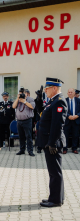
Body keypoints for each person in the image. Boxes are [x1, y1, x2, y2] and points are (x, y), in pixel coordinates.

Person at [37, 77, 67, 207]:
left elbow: (57, 124)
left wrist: (52, 142)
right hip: (49, 141)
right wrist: (38, 100)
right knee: (53, 171)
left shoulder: (59, 102)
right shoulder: (52, 101)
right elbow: (42, 114)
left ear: (54, 88)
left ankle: (55, 200)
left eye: (47, 88)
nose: (46, 91)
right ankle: (56, 197)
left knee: (55, 172)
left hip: (53, 142)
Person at [12, 87, 36, 156]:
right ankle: (22, 150)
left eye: (22, 94)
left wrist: (25, 101)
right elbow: (13, 106)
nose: (21, 95)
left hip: (27, 121)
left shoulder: (30, 99)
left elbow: (32, 107)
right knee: (21, 136)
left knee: (28, 136)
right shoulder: (18, 100)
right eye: (20, 94)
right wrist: (17, 98)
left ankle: (30, 151)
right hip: (19, 121)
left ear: (26, 93)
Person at [63, 88, 80, 154]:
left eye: (71, 92)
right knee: (65, 135)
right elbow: (63, 110)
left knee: (75, 135)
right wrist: (68, 116)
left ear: (74, 93)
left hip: (76, 120)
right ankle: (65, 148)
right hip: (67, 120)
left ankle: (74, 148)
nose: (70, 93)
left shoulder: (78, 100)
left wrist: (77, 115)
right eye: (69, 92)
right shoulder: (64, 100)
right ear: (67, 93)